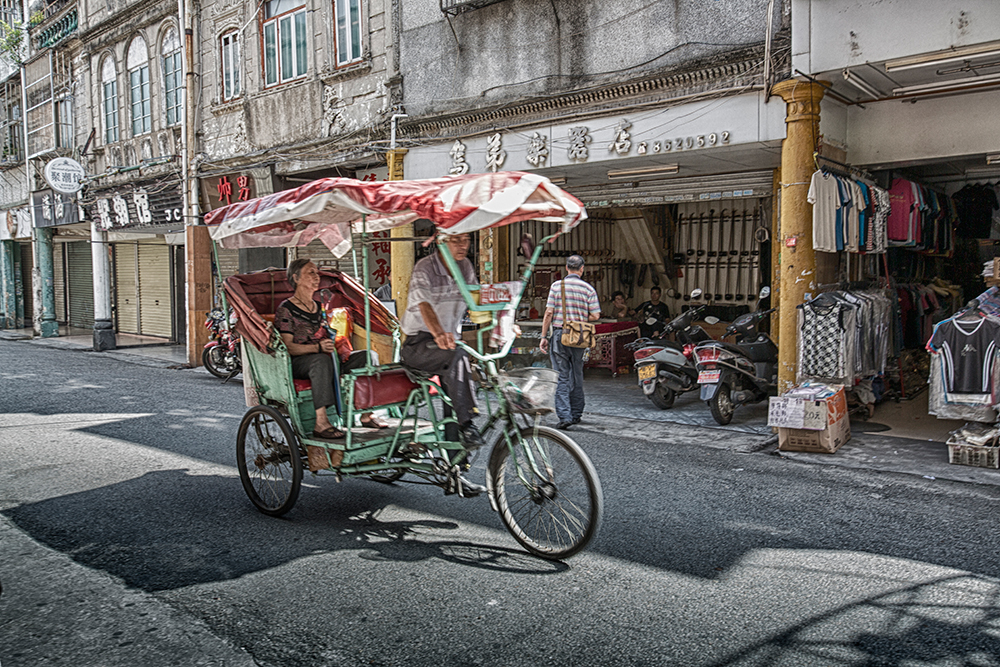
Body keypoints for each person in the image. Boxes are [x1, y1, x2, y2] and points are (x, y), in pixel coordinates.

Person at [400, 233, 486, 495]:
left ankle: (456, 474)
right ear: (442, 242)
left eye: (466, 240)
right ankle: (468, 424)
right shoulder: (425, 268)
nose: (462, 246)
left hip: (449, 345)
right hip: (419, 345)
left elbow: (477, 301)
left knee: (456, 398)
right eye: (456, 240)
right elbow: (423, 304)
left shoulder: (466, 267)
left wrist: (502, 320)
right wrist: (438, 333)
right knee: (458, 359)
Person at [275, 259, 387, 440]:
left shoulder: (317, 307)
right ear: (296, 278)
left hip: (326, 357)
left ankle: (367, 414)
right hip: (299, 361)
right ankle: (321, 422)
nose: (316, 277)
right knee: (321, 361)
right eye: (310, 273)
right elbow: (287, 347)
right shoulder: (286, 309)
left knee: (369, 356)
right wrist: (317, 347)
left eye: (317, 273)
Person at [539, 255, 601, 430]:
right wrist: (580, 317)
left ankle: (564, 416)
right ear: (582, 269)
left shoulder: (557, 286)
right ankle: (576, 413)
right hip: (580, 335)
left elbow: (548, 313)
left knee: (561, 375)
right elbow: (596, 316)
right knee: (577, 373)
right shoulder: (588, 289)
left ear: (566, 268)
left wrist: (544, 336)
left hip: (560, 334)